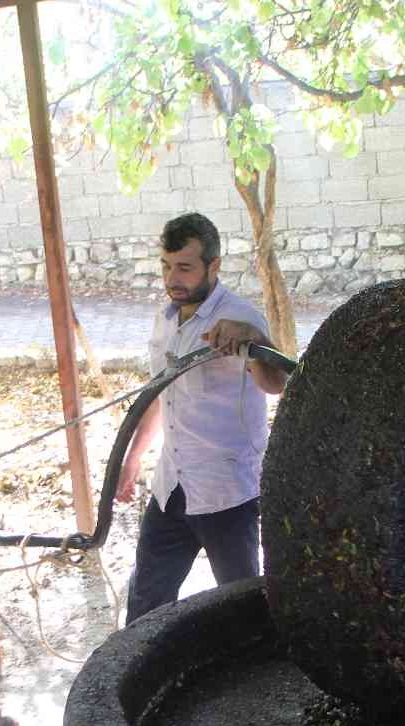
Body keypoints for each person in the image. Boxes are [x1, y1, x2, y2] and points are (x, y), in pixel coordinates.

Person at [116, 212, 288, 624]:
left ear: (214, 266)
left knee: (245, 608)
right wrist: (134, 458)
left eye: (185, 268)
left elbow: (274, 381)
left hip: (225, 491)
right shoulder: (167, 318)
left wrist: (255, 340)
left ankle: (256, 683)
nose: (172, 278)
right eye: (166, 266)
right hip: (171, 486)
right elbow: (160, 396)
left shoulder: (241, 318)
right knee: (145, 605)